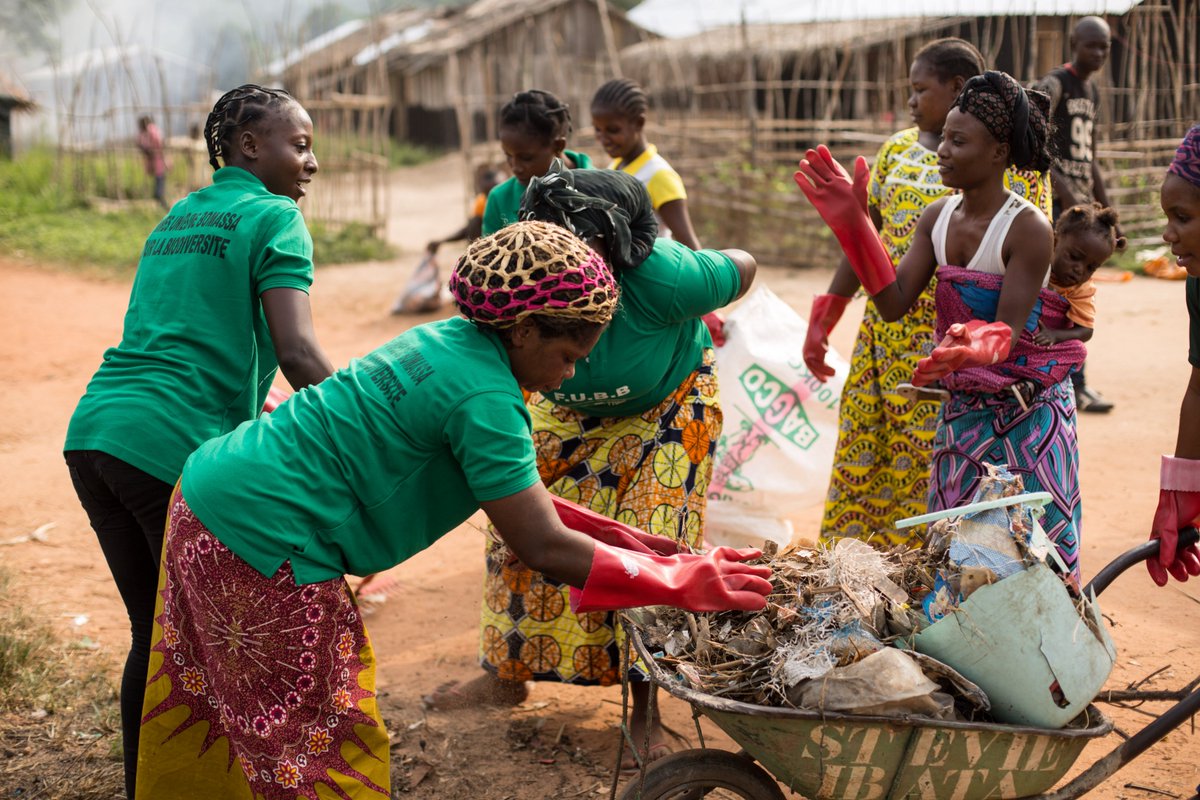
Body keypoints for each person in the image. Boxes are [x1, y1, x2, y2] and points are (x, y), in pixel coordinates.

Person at [132, 220, 772, 798]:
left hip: (211, 499)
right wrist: (683, 584)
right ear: (524, 330)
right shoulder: (487, 398)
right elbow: (541, 543)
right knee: (321, 741)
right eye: (569, 356)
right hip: (260, 541)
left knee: (228, 706)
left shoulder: (445, 341)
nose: (571, 377)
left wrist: (664, 554)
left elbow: (522, 499)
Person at [426, 164, 756, 772]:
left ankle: (645, 711)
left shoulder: (666, 275)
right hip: (564, 403)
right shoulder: (531, 268)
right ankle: (505, 674)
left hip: (668, 402)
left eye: (574, 240)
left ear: (614, 244)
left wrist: (683, 268)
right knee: (514, 527)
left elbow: (744, 264)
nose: (557, 252)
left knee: (651, 544)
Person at [64, 84, 337, 799]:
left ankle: (144, 788)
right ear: (251, 146)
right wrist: (360, 425)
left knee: (153, 638)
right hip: (168, 450)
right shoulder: (275, 217)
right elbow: (300, 353)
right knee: (219, 649)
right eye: (299, 145)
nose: (311, 163)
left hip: (95, 433)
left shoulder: (181, 213)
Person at [796, 72, 1088, 581]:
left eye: (959, 140)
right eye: (945, 137)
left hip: (1028, 414)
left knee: (1031, 551)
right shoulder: (938, 217)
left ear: (998, 152)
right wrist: (854, 226)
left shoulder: (1027, 228)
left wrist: (965, 346)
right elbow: (892, 303)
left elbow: (1006, 332)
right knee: (954, 549)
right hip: (967, 409)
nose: (943, 151)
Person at [591, 77, 727, 346]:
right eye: (598, 130)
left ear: (639, 124)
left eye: (613, 130)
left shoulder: (658, 175)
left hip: (654, 284)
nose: (603, 138)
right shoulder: (616, 167)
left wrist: (708, 303)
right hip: (625, 285)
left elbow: (687, 241)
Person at [1034, 15, 1118, 413]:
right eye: (1091, 46)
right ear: (1074, 43)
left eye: (1104, 47)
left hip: (1081, 208)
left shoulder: (1091, 91)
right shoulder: (1056, 84)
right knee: (1055, 291)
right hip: (1057, 206)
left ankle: (1072, 378)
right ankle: (1060, 377)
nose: (1098, 54)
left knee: (1076, 293)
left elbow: (1092, 156)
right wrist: (1063, 192)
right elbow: (1034, 135)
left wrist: (1105, 211)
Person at [1147, 126, 1200, 587]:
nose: (1168, 234)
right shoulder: (1199, 284)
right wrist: (1179, 497)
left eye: (1181, 217)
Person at [481, 90, 592, 236]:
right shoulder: (500, 199)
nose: (515, 167)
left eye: (526, 158)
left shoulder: (597, 190)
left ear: (558, 146)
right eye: (508, 155)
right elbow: (489, 256)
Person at [1033, 202, 1125, 348]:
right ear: (1055, 242)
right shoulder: (1033, 259)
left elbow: (1086, 330)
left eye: (1091, 268)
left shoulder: (1082, 289)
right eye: (1074, 257)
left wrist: (1055, 335)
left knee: (1077, 350)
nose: (1080, 270)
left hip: (1045, 342)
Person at [426, 166, 503, 255]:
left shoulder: (499, 201)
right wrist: (442, 241)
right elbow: (469, 229)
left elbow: (470, 228)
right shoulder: (481, 201)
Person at [136, 115, 169, 210]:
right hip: (156, 159)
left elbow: (158, 143)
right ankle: (160, 200)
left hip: (157, 158)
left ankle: (160, 200)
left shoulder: (151, 130)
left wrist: (149, 150)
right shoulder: (147, 132)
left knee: (159, 180)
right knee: (159, 179)